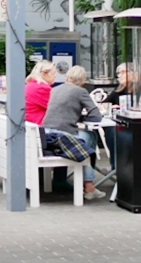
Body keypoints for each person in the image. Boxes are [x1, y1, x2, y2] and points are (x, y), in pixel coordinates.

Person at [42, 65, 106, 200]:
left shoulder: (55, 89)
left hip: (47, 135)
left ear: (67, 77)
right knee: (90, 136)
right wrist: (82, 118)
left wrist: (77, 116)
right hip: (61, 138)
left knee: (75, 136)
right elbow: (96, 116)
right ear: (83, 82)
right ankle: (89, 186)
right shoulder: (80, 91)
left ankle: (60, 180)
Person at [24, 60, 57, 125]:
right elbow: (58, 108)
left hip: (30, 126)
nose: (55, 76)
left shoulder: (29, 85)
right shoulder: (42, 89)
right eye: (53, 73)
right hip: (41, 127)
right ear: (44, 74)